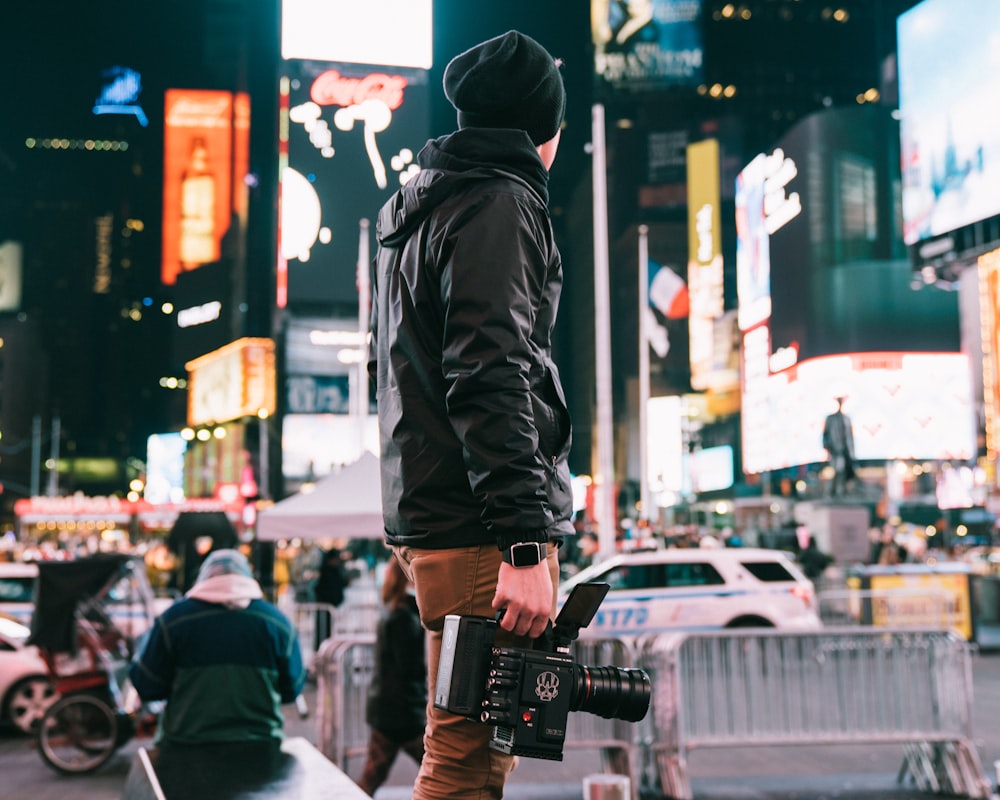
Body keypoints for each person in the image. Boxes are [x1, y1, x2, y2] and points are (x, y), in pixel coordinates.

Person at [368, 30, 574, 799]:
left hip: (437, 517)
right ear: (539, 127)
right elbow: (492, 373)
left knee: (459, 742)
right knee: (468, 764)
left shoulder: (416, 206)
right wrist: (524, 542)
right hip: (484, 527)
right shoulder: (499, 199)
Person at [129, 549, 306, 797]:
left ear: (203, 578)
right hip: (262, 747)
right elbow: (292, 689)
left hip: (185, 748)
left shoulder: (174, 620)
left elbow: (147, 685)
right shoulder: (277, 622)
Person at [357, 556, 427, 796]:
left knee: (372, 775)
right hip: (404, 710)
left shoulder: (395, 611)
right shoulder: (404, 616)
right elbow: (409, 666)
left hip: (388, 708)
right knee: (440, 769)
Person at [313, 546, 349, 650]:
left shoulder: (327, 570)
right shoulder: (329, 571)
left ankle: (323, 649)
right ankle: (322, 649)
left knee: (325, 629)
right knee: (324, 629)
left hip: (328, 605)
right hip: (326, 605)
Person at [822, 395, 856, 497]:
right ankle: (831, 492)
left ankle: (840, 492)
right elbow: (826, 435)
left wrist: (851, 453)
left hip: (845, 452)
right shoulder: (830, 418)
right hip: (835, 451)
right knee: (835, 471)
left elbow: (849, 437)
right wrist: (828, 449)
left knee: (842, 472)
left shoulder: (847, 419)